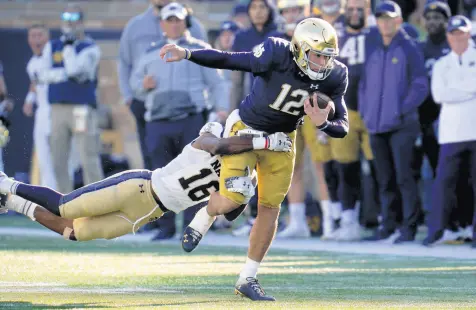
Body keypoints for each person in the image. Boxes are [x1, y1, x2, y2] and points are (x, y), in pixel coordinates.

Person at [159, 17, 349, 300]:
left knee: (270, 207)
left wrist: (322, 123)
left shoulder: (336, 75)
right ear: (299, 48)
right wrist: (188, 53)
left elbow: (342, 125)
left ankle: (248, 277)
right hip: (245, 129)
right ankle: (206, 214)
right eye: (316, 55)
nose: (322, 63)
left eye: (327, 57)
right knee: (233, 199)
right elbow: (229, 59)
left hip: (283, 139)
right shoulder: (276, 52)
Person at [0, 122, 291, 241]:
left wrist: (244, 195)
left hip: (149, 213)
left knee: (75, 233)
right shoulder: (210, 139)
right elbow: (217, 146)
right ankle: (6, 182)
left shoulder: (241, 176)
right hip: (139, 187)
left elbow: (222, 209)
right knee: (65, 206)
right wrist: (265, 141)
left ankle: (11, 201)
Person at [130, 2, 230, 240]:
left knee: (194, 174)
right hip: (158, 120)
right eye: (169, 20)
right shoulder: (149, 51)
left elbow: (217, 83)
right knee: (159, 176)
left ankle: (192, 227)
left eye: (178, 20)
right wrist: (142, 86)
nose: (174, 24)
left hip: (191, 119)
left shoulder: (199, 49)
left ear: (186, 22)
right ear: (162, 23)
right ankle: (164, 228)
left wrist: (222, 108)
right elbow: (134, 84)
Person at [359, 1, 428, 243]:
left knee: (404, 178)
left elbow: (420, 85)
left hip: (402, 126)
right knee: (384, 179)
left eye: (390, 18)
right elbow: (364, 84)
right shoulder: (374, 47)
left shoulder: (409, 48)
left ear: (398, 20)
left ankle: (408, 228)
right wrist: (367, 113)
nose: (385, 23)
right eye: (381, 18)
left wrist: (400, 110)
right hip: (376, 125)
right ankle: (387, 226)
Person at [118, 0, 207, 171]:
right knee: (153, 161)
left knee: (189, 163)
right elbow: (124, 62)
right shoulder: (135, 26)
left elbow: (205, 61)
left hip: (186, 109)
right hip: (145, 102)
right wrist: (129, 96)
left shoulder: (194, 25)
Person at [37, 5, 104, 193]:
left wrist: (68, 48)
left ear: (81, 23)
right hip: (58, 108)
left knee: (87, 156)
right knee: (58, 157)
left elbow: (76, 70)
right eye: (66, 20)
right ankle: (64, 201)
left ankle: (97, 201)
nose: (69, 24)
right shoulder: (52, 45)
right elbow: (41, 74)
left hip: (80, 108)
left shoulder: (90, 48)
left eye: (73, 20)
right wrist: (64, 74)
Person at [423, 15, 476, 249]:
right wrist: (470, 90)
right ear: (449, 37)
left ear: (469, 34)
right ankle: (436, 232)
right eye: (454, 34)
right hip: (451, 133)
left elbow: (449, 92)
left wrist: (456, 90)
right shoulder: (442, 64)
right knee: (443, 184)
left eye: (462, 33)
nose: (458, 38)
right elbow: (439, 95)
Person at [328, 0, 377, 241]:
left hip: (371, 110)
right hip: (343, 110)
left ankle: (383, 220)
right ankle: (348, 220)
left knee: (379, 168)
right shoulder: (334, 36)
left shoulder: (377, 34)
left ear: (368, 12)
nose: (355, 14)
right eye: (351, 9)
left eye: (360, 9)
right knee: (344, 168)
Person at [23, 24, 57, 190]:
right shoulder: (31, 63)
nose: (36, 40)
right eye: (33, 36)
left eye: (39, 35)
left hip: (57, 110)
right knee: (43, 156)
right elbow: (34, 83)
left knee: (58, 156)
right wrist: (29, 99)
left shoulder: (55, 55)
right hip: (42, 111)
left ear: (47, 37)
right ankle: (47, 197)